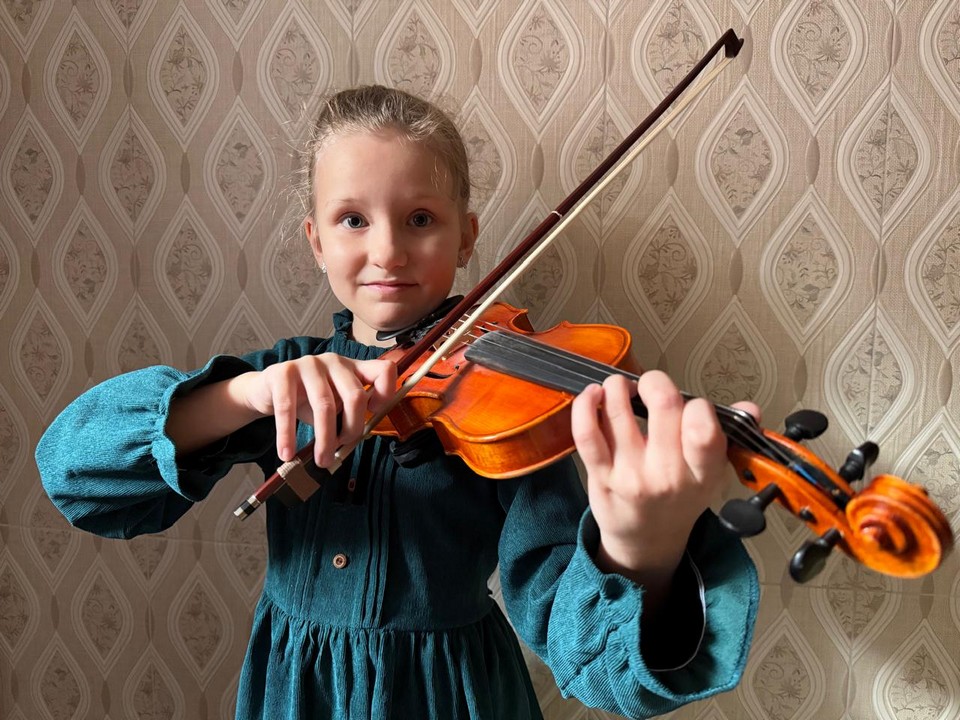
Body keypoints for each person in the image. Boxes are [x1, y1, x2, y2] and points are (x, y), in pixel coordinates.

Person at [36, 85, 759, 719]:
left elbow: (591, 661)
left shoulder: (512, 405)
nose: (387, 251)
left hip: (450, 692)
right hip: (298, 691)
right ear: (316, 242)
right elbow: (74, 474)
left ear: (466, 237)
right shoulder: (288, 378)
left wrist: (640, 551)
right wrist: (239, 395)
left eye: (419, 219)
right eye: (353, 220)